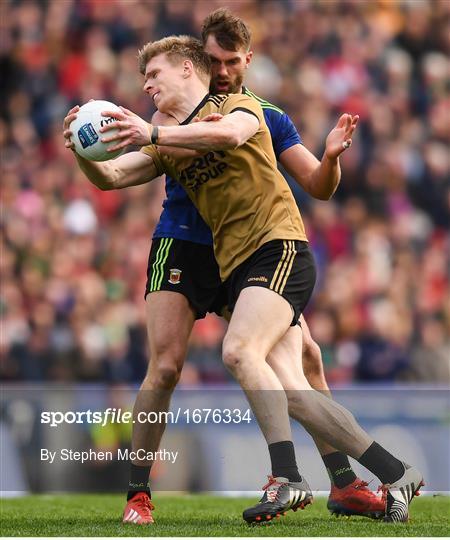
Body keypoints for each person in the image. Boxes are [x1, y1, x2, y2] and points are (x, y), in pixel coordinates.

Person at [63, 35, 423, 525]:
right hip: (190, 244)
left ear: (236, 62)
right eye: (217, 61)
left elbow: (275, 159)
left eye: (231, 62)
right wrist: (84, 149)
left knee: (289, 360)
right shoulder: (165, 130)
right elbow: (111, 176)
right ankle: (140, 492)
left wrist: (331, 158)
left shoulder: (249, 109)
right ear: (202, 62)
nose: (224, 70)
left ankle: (339, 481)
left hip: (265, 249)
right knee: (173, 367)